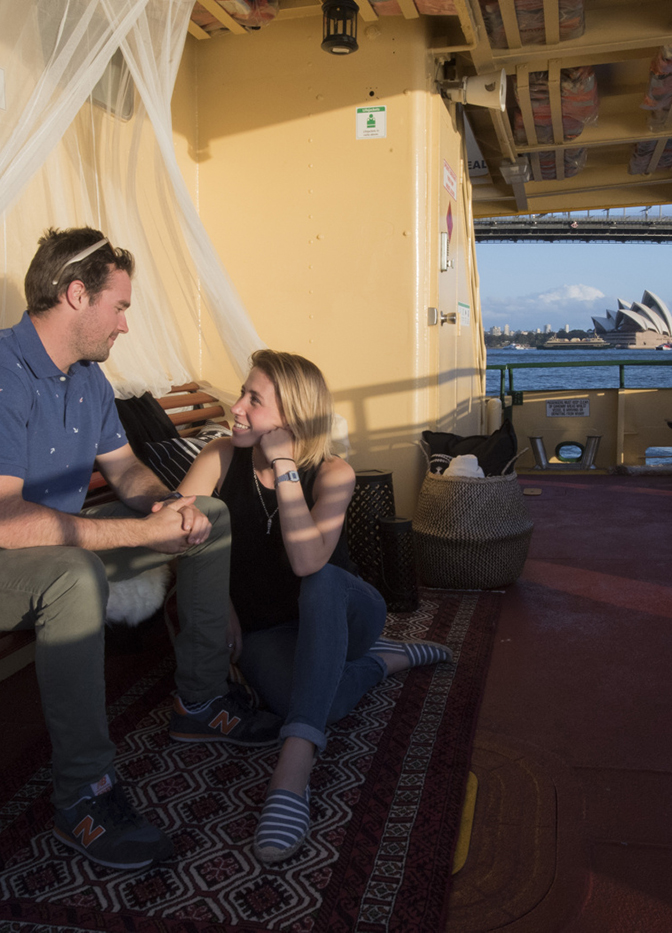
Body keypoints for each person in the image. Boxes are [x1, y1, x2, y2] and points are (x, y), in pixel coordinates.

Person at [0, 228, 281, 873]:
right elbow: (10, 522)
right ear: (77, 295)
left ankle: (202, 700)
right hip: (14, 555)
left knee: (207, 513)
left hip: (55, 546)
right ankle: (84, 796)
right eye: (120, 307)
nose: (126, 326)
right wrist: (138, 533)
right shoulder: (6, 374)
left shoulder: (90, 379)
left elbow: (125, 472)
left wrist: (167, 508)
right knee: (74, 576)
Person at [178, 349, 452, 864]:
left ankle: (293, 769)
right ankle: (379, 664)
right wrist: (221, 606)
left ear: (292, 419)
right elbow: (181, 540)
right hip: (268, 630)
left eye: (253, 400)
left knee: (322, 578)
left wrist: (283, 464)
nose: (234, 407)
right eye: (242, 392)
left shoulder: (333, 473)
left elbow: (306, 561)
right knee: (312, 697)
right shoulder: (218, 457)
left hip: (346, 612)